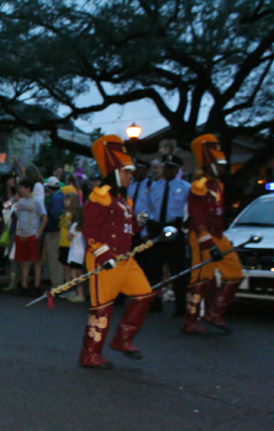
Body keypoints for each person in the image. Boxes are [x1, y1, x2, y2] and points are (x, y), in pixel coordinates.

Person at [78, 135, 155, 370]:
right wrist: (103, 254)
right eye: (127, 172)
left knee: (144, 294)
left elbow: (124, 228)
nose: (131, 176)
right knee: (102, 307)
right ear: (115, 172)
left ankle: (122, 339)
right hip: (105, 259)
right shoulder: (100, 196)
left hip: (125, 258)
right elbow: (89, 229)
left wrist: (139, 224)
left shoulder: (121, 199)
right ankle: (89, 354)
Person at [182, 134, 244, 334]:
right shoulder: (198, 186)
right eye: (220, 163)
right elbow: (197, 217)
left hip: (218, 233)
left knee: (235, 272)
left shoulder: (218, 185)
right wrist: (207, 243)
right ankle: (190, 320)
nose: (224, 167)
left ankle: (214, 312)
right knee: (200, 276)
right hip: (202, 237)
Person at [134, 154, 189, 314]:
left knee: (177, 269)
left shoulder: (185, 187)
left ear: (177, 170)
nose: (167, 171)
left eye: (171, 168)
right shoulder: (155, 187)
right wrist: (144, 231)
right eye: (166, 168)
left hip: (175, 228)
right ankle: (154, 301)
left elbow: (189, 212)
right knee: (153, 269)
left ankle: (181, 304)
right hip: (156, 228)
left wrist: (186, 234)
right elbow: (146, 210)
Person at [9, 178, 47, 295]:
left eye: (22, 188)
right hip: (21, 234)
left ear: (28, 189)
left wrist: (39, 232)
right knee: (23, 261)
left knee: (36, 261)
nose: (20, 190)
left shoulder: (36, 201)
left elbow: (44, 217)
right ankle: (24, 285)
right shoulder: (20, 202)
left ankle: (37, 285)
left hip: (32, 234)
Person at [62, 193, 86, 303]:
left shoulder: (73, 226)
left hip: (75, 252)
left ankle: (79, 294)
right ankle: (79, 293)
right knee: (79, 273)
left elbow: (69, 237)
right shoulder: (83, 226)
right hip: (81, 252)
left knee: (74, 273)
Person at [43, 176, 65, 288]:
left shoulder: (55, 200)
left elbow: (56, 216)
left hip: (54, 232)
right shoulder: (61, 196)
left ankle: (57, 284)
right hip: (61, 232)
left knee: (54, 260)